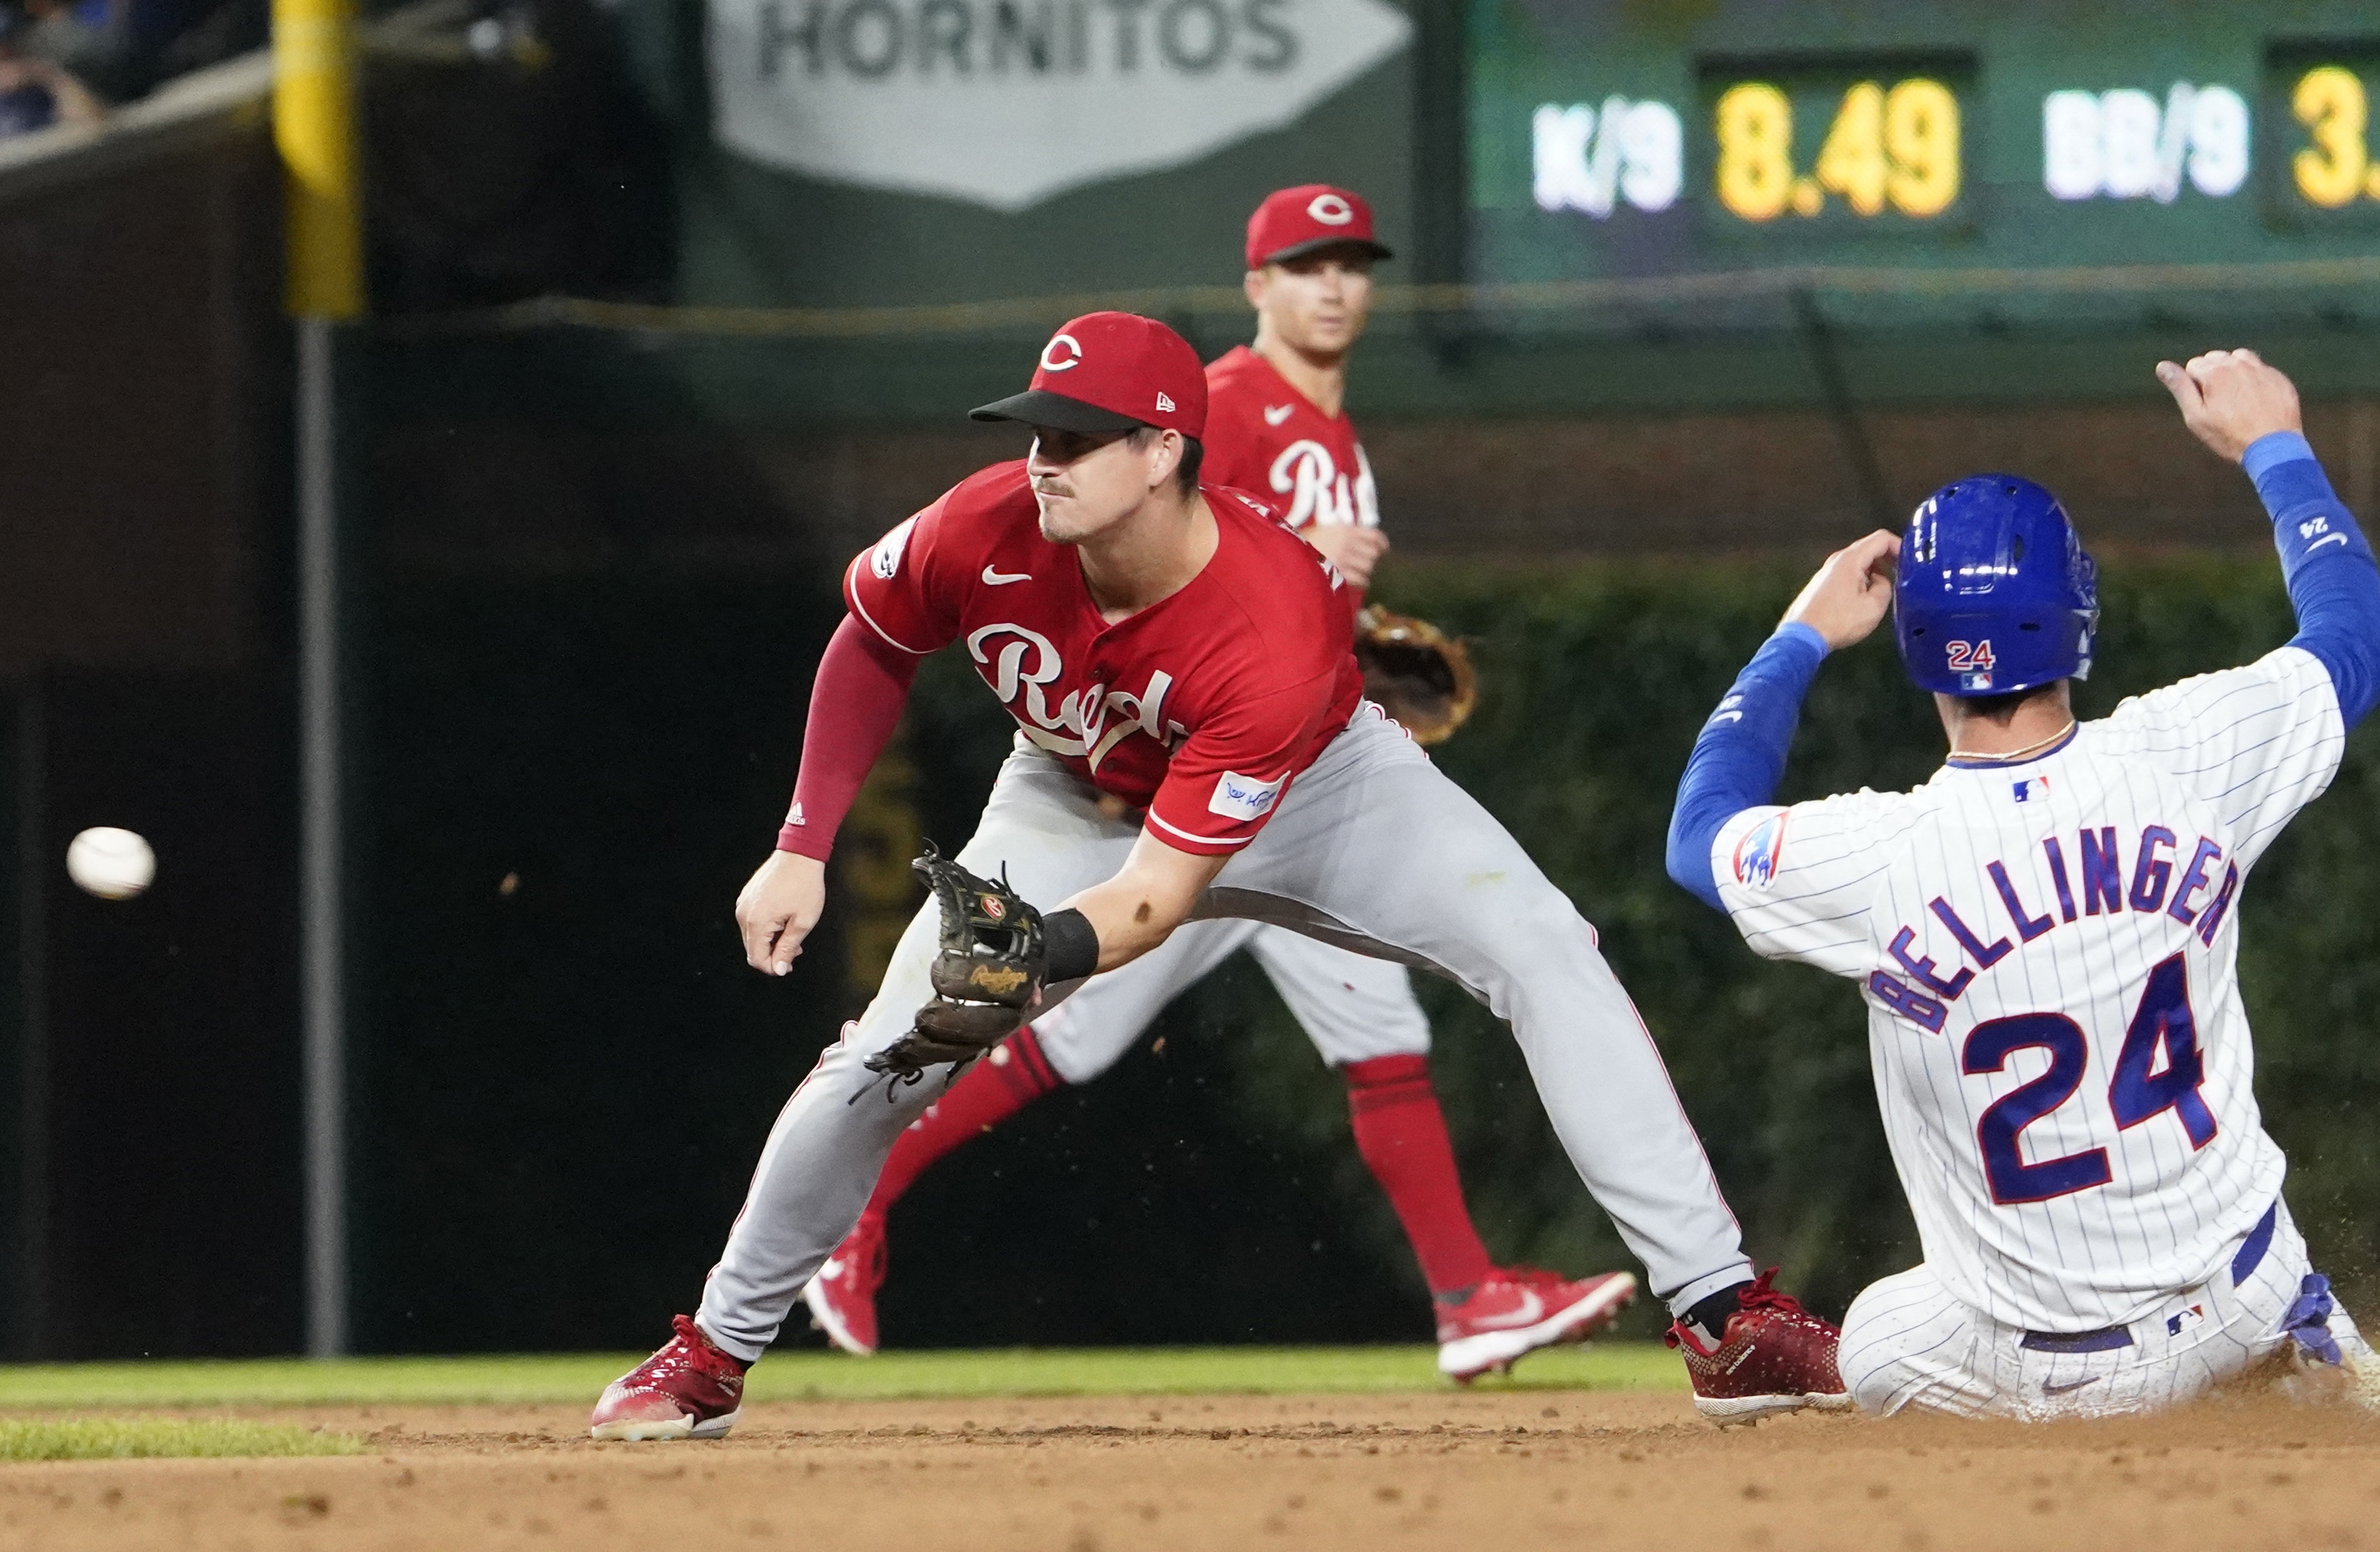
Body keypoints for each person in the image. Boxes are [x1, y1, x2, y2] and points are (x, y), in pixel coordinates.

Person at [590, 310, 1846, 1440]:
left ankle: (1720, 1314)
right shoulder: (983, 523)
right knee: (889, 1052)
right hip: (1065, 793)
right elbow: (871, 637)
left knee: (1543, 949)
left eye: (1078, 438)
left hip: (1326, 789)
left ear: (1162, 452)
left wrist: (1038, 952)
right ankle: (710, 1352)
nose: (1044, 459)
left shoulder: (1265, 625)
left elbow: (1153, 901)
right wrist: (802, 843)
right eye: (1037, 430)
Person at [801, 185, 1634, 1382]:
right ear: (1256, 286)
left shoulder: (1333, 434)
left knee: (1374, 1030)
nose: (1331, 285)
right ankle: (851, 1203)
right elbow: (1170, 566)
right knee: (1049, 1030)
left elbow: (1264, 618)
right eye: (1302, 266)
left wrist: (1350, 646)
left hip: (1283, 789)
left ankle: (1466, 1299)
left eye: (1349, 263)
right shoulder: (1229, 404)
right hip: (1170, 806)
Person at [1665, 348, 2380, 1419]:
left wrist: (1798, 636)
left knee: (1879, 1334)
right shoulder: (2184, 755)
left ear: (1918, 647)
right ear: (2078, 613)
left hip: (2061, 1373)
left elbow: (1698, 834)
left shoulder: (1878, 857)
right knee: (2273, 1300)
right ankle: (2333, 1369)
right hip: (2254, 1297)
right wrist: (2275, 449)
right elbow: (2355, 639)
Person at [0, 4, 102, 143]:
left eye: (7, 42)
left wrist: (50, 78)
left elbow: (94, 126)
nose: (0, 52)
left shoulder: (41, 82)